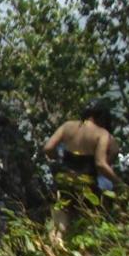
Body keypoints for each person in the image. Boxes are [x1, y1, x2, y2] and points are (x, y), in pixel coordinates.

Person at [43, 100, 121, 237]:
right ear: (102, 117)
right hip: (85, 183)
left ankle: (53, 252)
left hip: (63, 179)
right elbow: (101, 164)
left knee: (58, 225)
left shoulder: (67, 126)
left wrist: (59, 158)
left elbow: (48, 148)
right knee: (89, 224)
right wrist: (118, 182)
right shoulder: (102, 134)